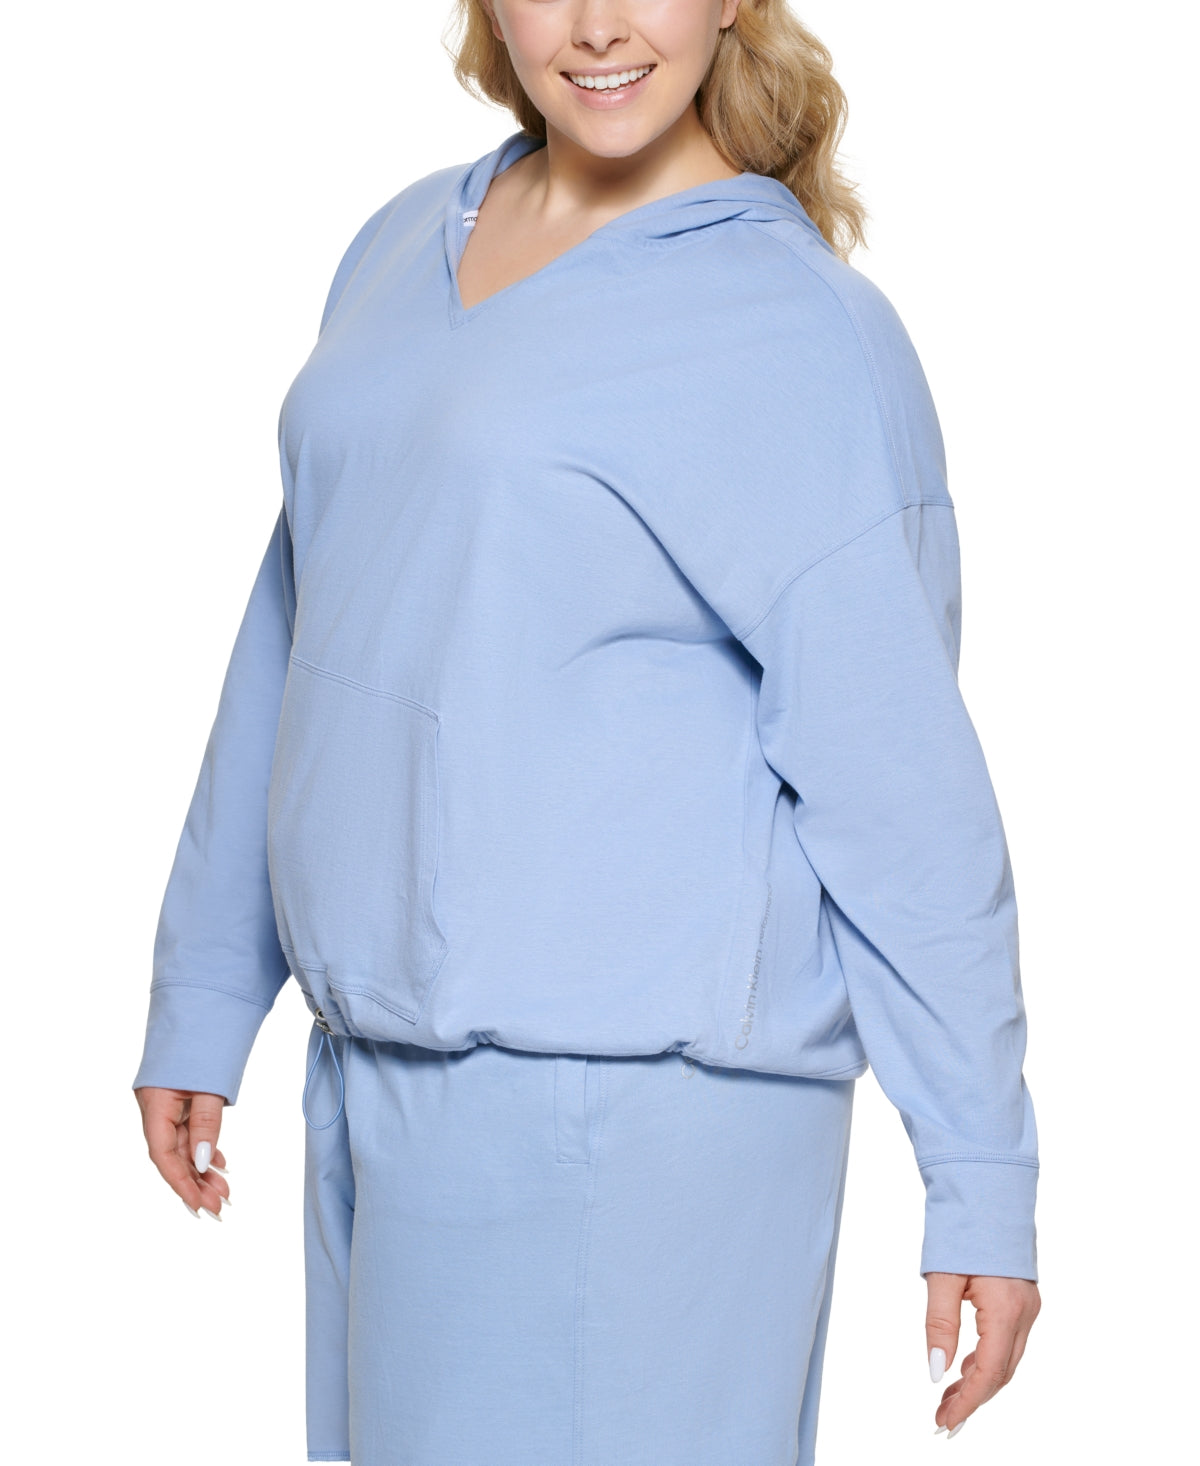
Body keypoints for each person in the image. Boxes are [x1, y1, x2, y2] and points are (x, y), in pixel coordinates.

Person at [132, 1, 1043, 1461]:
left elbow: (899, 780)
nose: (601, 22)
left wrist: (980, 1176)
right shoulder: (402, 245)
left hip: (638, 1125)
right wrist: (206, 985)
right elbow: (306, 628)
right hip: (382, 1076)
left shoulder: (793, 329)